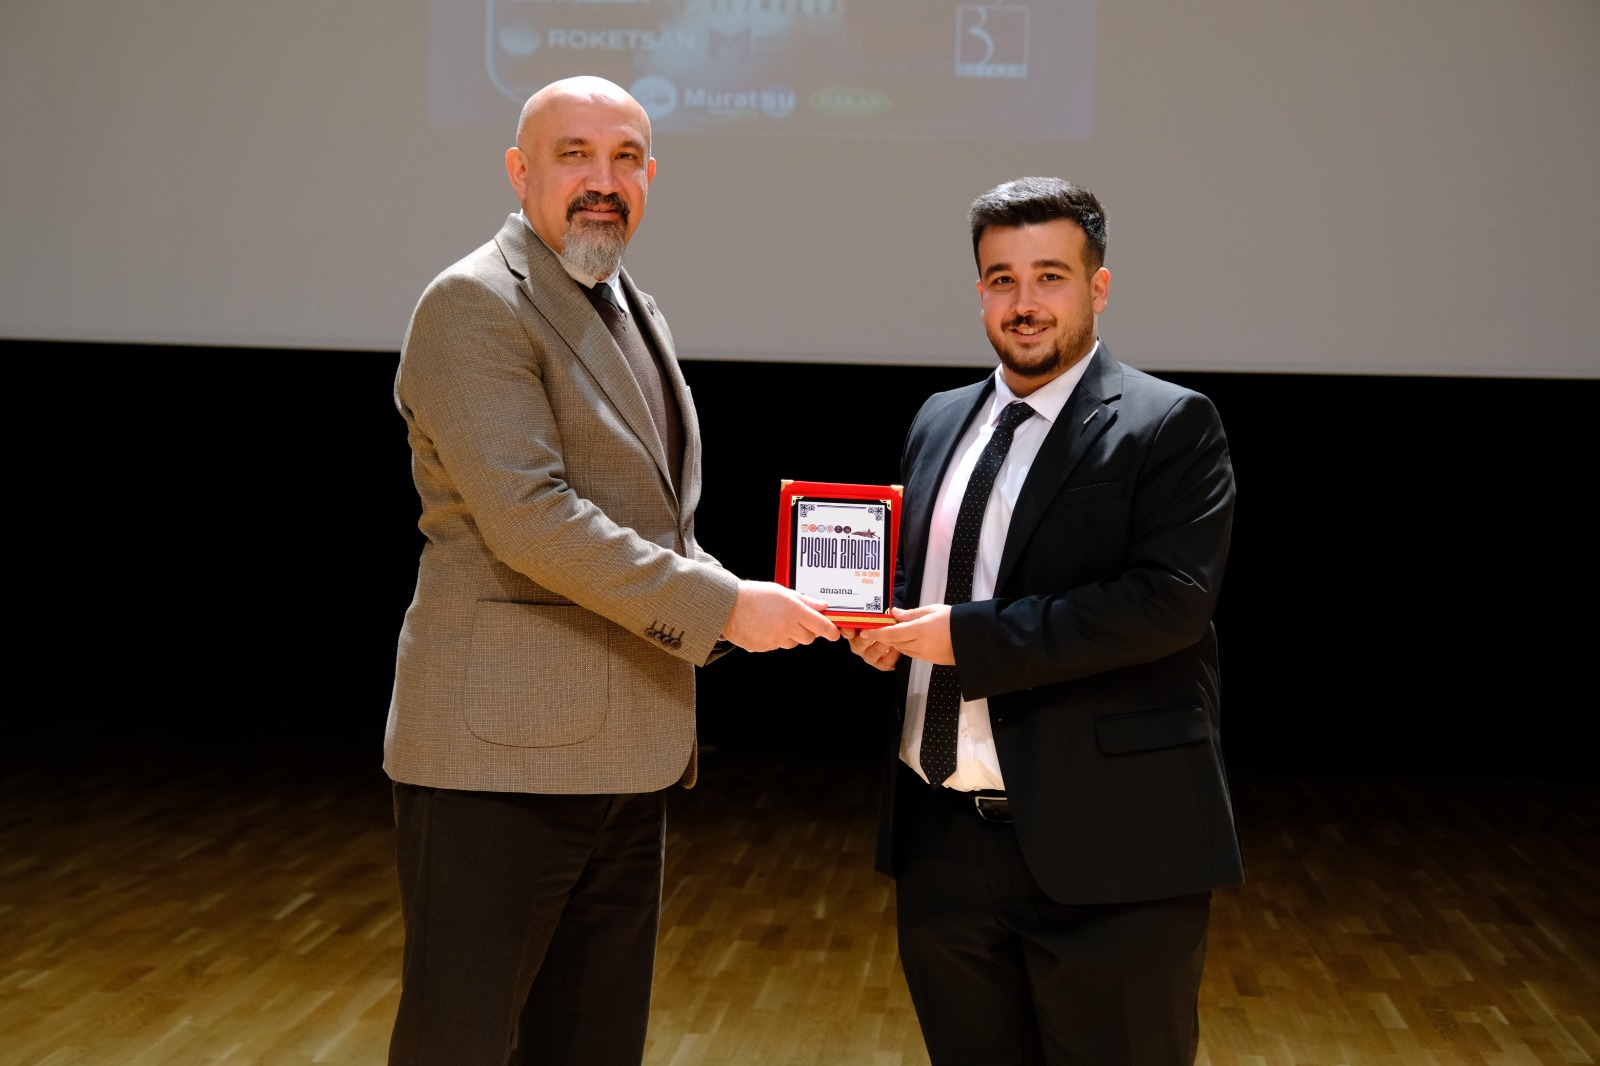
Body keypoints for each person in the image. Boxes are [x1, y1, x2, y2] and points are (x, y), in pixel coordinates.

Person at [383, 75, 838, 1066]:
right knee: (459, 1044)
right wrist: (725, 607)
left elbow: (657, 523)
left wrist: (772, 603)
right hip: (498, 763)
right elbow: (531, 520)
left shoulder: (633, 308)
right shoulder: (473, 303)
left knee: (592, 1045)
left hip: (627, 754)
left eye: (625, 158)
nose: (603, 180)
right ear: (519, 172)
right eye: (575, 155)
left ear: (650, 177)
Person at [846, 176, 1242, 1065]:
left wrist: (963, 638)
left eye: (1049, 277)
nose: (1024, 303)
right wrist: (879, 629)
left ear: (1098, 287)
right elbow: (926, 583)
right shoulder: (938, 420)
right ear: (980, 290)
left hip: (1111, 847)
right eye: (1002, 280)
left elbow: (1168, 603)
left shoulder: (1170, 423)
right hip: (940, 841)